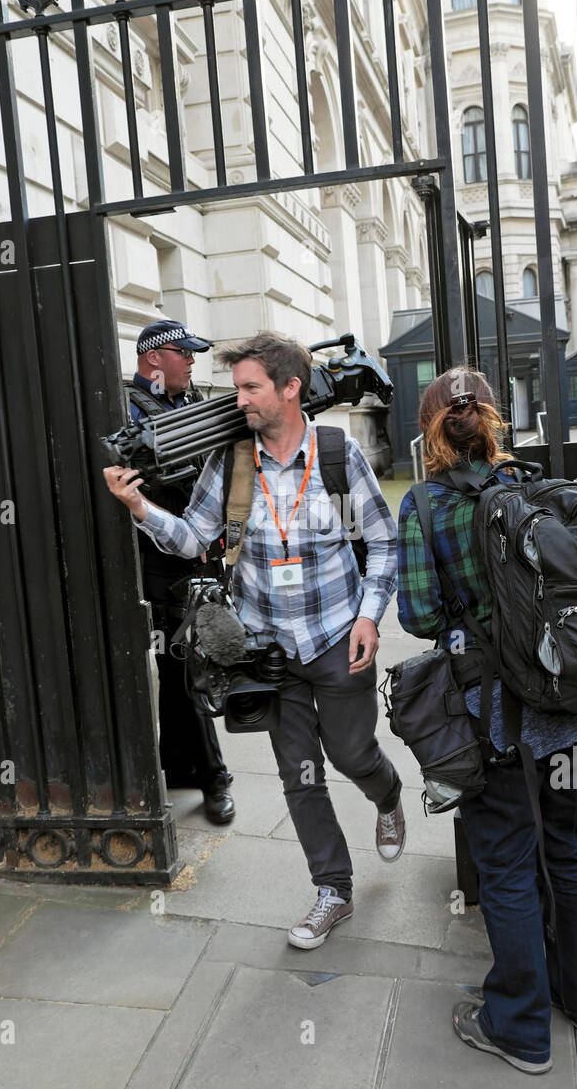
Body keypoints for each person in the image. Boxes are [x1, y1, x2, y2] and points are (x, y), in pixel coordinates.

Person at [104, 332, 404, 948]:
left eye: (250, 387)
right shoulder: (233, 462)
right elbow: (192, 540)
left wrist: (371, 617)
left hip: (338, 638)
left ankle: (389, 794)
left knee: (352, 755)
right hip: (268, 653)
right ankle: (333, 890)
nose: (237, 400)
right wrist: (139, 508)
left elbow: (383, 542)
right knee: (301, 774)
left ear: (290, 389)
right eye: (236, 386)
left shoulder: (338, 455)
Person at [397, 367, 577, 1074]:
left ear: (428, 432)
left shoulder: (424, 507)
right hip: (572, 704)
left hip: (496, 719)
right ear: (493, 420)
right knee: (571, 854)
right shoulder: (534, 485)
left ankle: (518, 1028)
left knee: (509, 868)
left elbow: (420, 616)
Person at [127, 319, 235, 826]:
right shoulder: (128, 408)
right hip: (156, 558)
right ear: (154, 357)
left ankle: (197, 771)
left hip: (198, 552)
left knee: (193, 662)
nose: (192, 361)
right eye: (183, 353)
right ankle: (210, 777)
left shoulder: (190, 405)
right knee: (183, 666)